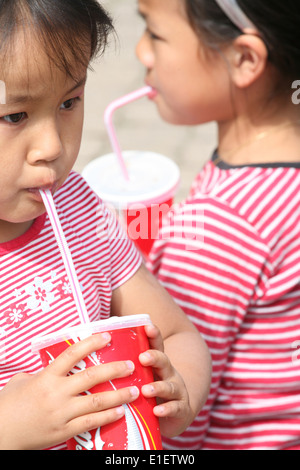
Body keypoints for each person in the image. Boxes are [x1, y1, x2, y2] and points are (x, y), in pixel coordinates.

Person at [0, 0, 212, 450]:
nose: (52, 145)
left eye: (69, 102)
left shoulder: (80, 209)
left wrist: (180, 394)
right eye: (14, 115)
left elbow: (176, 333)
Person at [136, 0, 300, 450]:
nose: (140, 52)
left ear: (244, 59)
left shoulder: (221, 223)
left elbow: (176, 420)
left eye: (155, 33)